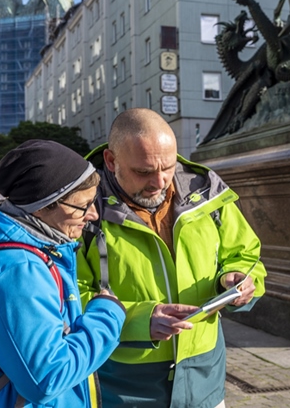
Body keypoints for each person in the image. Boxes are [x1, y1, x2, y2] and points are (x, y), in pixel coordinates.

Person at [77, 109, 266, 407]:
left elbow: (245, 254)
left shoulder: (207, 192)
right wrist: (139, 321)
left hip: (205, 381)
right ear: (111, 162)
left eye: (168, 166)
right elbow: (68, 297)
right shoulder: (80, 211)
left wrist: (236, 279)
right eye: (144, 172)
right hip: (123, 387)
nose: (160, 181)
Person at [0, 139, 126, 407]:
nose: (93, 214)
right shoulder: (17, 270)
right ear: (42, 205)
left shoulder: (29, 254)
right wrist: (107, 315)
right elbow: (48, 378)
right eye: (83, 205)